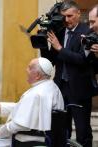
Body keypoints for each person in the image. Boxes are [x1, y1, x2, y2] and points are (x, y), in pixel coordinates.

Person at [41, 1, 95, 146]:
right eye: (64, 16)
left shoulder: (88, 32)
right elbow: (50, 60)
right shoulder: (59, 31)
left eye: (70, 16)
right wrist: (42, 45)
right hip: (60, 87)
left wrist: (60, 48)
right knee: (61, 129)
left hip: (80, 88)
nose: (66, 20)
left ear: (78, 14)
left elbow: (82, 60)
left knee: (83, 130)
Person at [0, 57, 64, 147]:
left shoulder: (36, 94)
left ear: (38, 75)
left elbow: (18, 124)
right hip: (44, 138)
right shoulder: (52, 87)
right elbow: (27, 109)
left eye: (30, 68)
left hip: (28, 140)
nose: (26, 70)